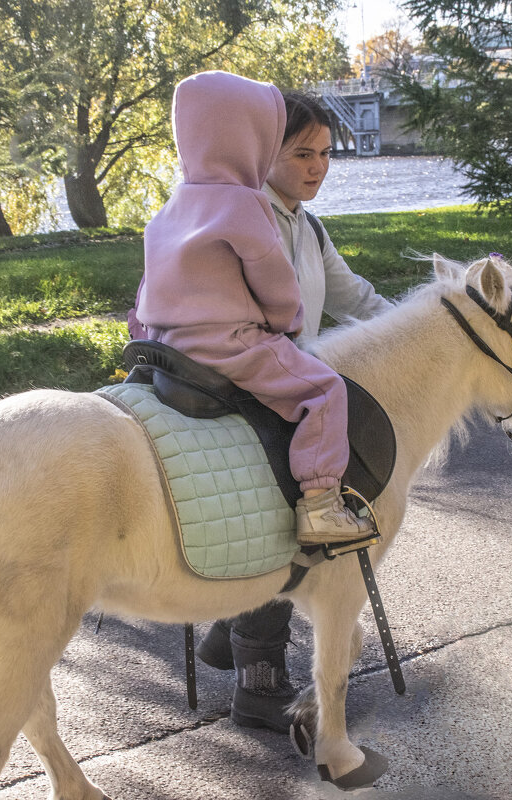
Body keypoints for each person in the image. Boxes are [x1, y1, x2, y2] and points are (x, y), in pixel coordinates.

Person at [130, 79, 392, 733]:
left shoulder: (284, 221)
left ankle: (226, 629)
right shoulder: (251, 211)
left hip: (210, 355)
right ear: (259, 147)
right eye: (301, 152)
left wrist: (418, 330)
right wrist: (278, 325)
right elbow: (281, 300)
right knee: (283, 496)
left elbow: (350, 293)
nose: (317, 167)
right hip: (252, 363)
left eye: (327, 154)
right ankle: (260, 676)